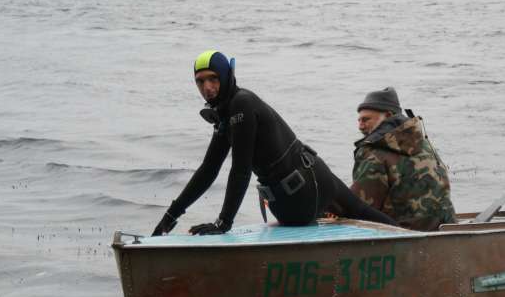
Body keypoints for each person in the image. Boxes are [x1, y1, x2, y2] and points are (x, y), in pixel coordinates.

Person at [152, 50, 395, 236]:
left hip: (302, 193)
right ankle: (419, 240)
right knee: (363, 212)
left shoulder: (241, 105)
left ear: (227, 76)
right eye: (200, 81)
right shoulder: (226, 113)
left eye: (213, 79)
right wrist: (169, 218)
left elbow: (241, 168)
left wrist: (223, 223)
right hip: (304, 187)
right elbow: (208, 170)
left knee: (361, 211)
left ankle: (419, 243)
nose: (207, 87)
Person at [351, 87, 457, 231]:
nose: (360, 126)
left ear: (388, 115)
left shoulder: (375, 151)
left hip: (401, 236)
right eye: (359, 121)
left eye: (366, 119)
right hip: (444, 230)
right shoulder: (424, 143)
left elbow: (359, 207)